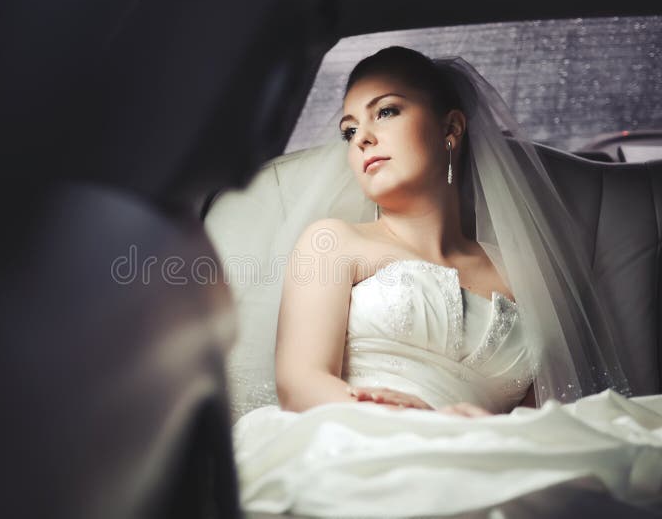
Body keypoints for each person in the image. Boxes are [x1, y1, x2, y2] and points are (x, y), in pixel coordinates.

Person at [220, 47, 662, 517]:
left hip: (487, 455)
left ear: (451, 128)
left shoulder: (521, 275)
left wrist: (481, 437)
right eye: (349, 131)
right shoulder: (333, 242)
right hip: (356, 441)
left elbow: (539, 414)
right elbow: (300, 382)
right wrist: (413, 424)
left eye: (386, 111)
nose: (362, 139)